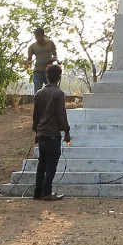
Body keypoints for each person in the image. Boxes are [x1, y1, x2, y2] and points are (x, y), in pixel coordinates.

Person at [31, 64, 71, 201]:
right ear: (59, 77)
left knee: (42, 164)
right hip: (52, 133)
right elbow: (61, 115)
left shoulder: (39, 93)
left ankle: (38, 192)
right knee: (52, 164)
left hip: (41, 133)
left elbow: (35, 116)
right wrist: (66, 131)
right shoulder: (58, 94)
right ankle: (47, 192)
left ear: (47, 77)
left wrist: (36, 132)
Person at [26, 26, 58, 94]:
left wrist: (53, 60)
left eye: (39, 36)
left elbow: (55, 55)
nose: (37, 38)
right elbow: (29, 59)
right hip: (38, 71)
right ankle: (37, 104)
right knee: (37, 91)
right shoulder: (32, 46)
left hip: (49, 71)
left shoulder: (50, 43)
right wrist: (27, 63)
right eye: (36, 36)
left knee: (51, 91)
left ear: (43, 35)